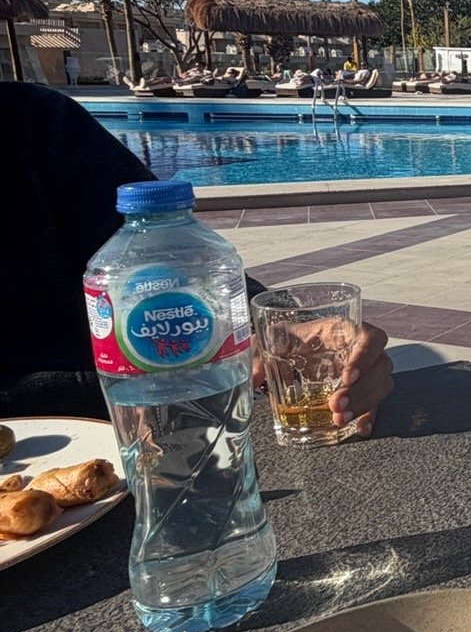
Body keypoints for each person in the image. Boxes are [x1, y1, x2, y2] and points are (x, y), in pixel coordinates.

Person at [0, 83, 393, 430]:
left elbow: (167, 249)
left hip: (155, 451)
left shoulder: (29, 123)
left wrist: (276, 332)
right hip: (124, 429)